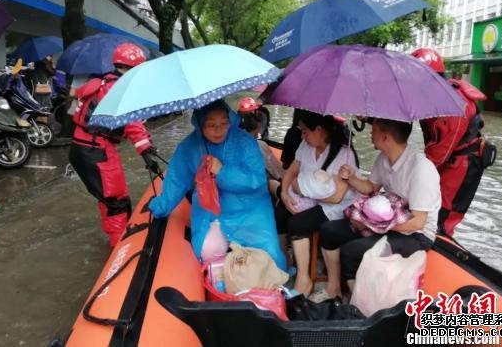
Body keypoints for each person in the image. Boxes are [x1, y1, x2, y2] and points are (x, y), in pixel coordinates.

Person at [149, 99, 286, 270]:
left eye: (224, 123)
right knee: (208, 251)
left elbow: (256, 180)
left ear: (231, 120)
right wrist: (160, 206)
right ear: (199, 124)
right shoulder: (189, 147)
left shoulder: (245, 142)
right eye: (211, 124)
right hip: (211, 211)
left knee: (269, 257)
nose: (218, 129)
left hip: (249, 208)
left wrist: (222, 171)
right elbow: (177, 179)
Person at [321, 118, 441, 294]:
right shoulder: (384, 158)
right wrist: (350, 178)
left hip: (416, 235)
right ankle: (334, 289)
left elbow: (418, 222)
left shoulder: (421, 169)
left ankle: (359, 309)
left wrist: (370, 225)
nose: (370, 133)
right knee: (329, 230)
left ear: (386, 137)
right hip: (389, 222)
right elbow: (371, 187)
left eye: (374, 130)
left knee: (351, 252)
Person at [68, 43, 160, 247]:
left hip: (79, 148)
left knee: (107, 200)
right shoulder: (120, 88)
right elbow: (132, 122)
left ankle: (113, 236)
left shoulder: (99, 83)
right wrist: (147, 152)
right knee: (118, 202)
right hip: (96, 150)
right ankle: (120, 247)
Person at [411, 48, 495, 236]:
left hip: (463, 163)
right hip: (447, 156)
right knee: (431, 200)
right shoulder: (428, 97)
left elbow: (438, 155)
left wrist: (413, 177)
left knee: (445, 213)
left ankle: (442, 239)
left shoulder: (454, 105)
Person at [275, 110, 360, 297]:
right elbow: (291, 170)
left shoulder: (344, 155)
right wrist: (284, 193)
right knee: (280, 213)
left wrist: (303, 189)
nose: (303, 135)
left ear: (319, 130)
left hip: (333, 207)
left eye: (305, 131)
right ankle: (285, 264)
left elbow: (337, 197)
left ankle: (304, 279)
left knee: (298, 223)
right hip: (309, 199)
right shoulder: (306, 146)